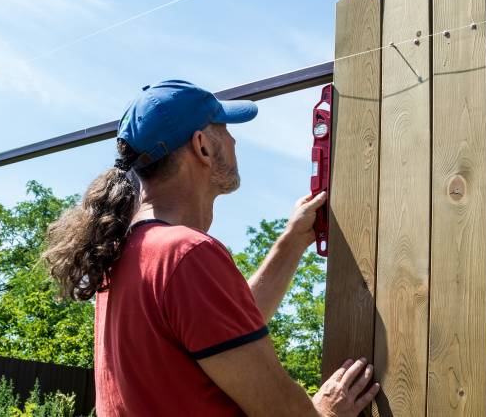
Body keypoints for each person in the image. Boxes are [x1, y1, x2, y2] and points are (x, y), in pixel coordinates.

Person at [43, 80, 380, 416]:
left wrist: (292, 242)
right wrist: (326, 412)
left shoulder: (130, 253)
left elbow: (219, 333)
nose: (233, 139)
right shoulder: (186, 254)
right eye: (224, 128)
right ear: (202, 145)